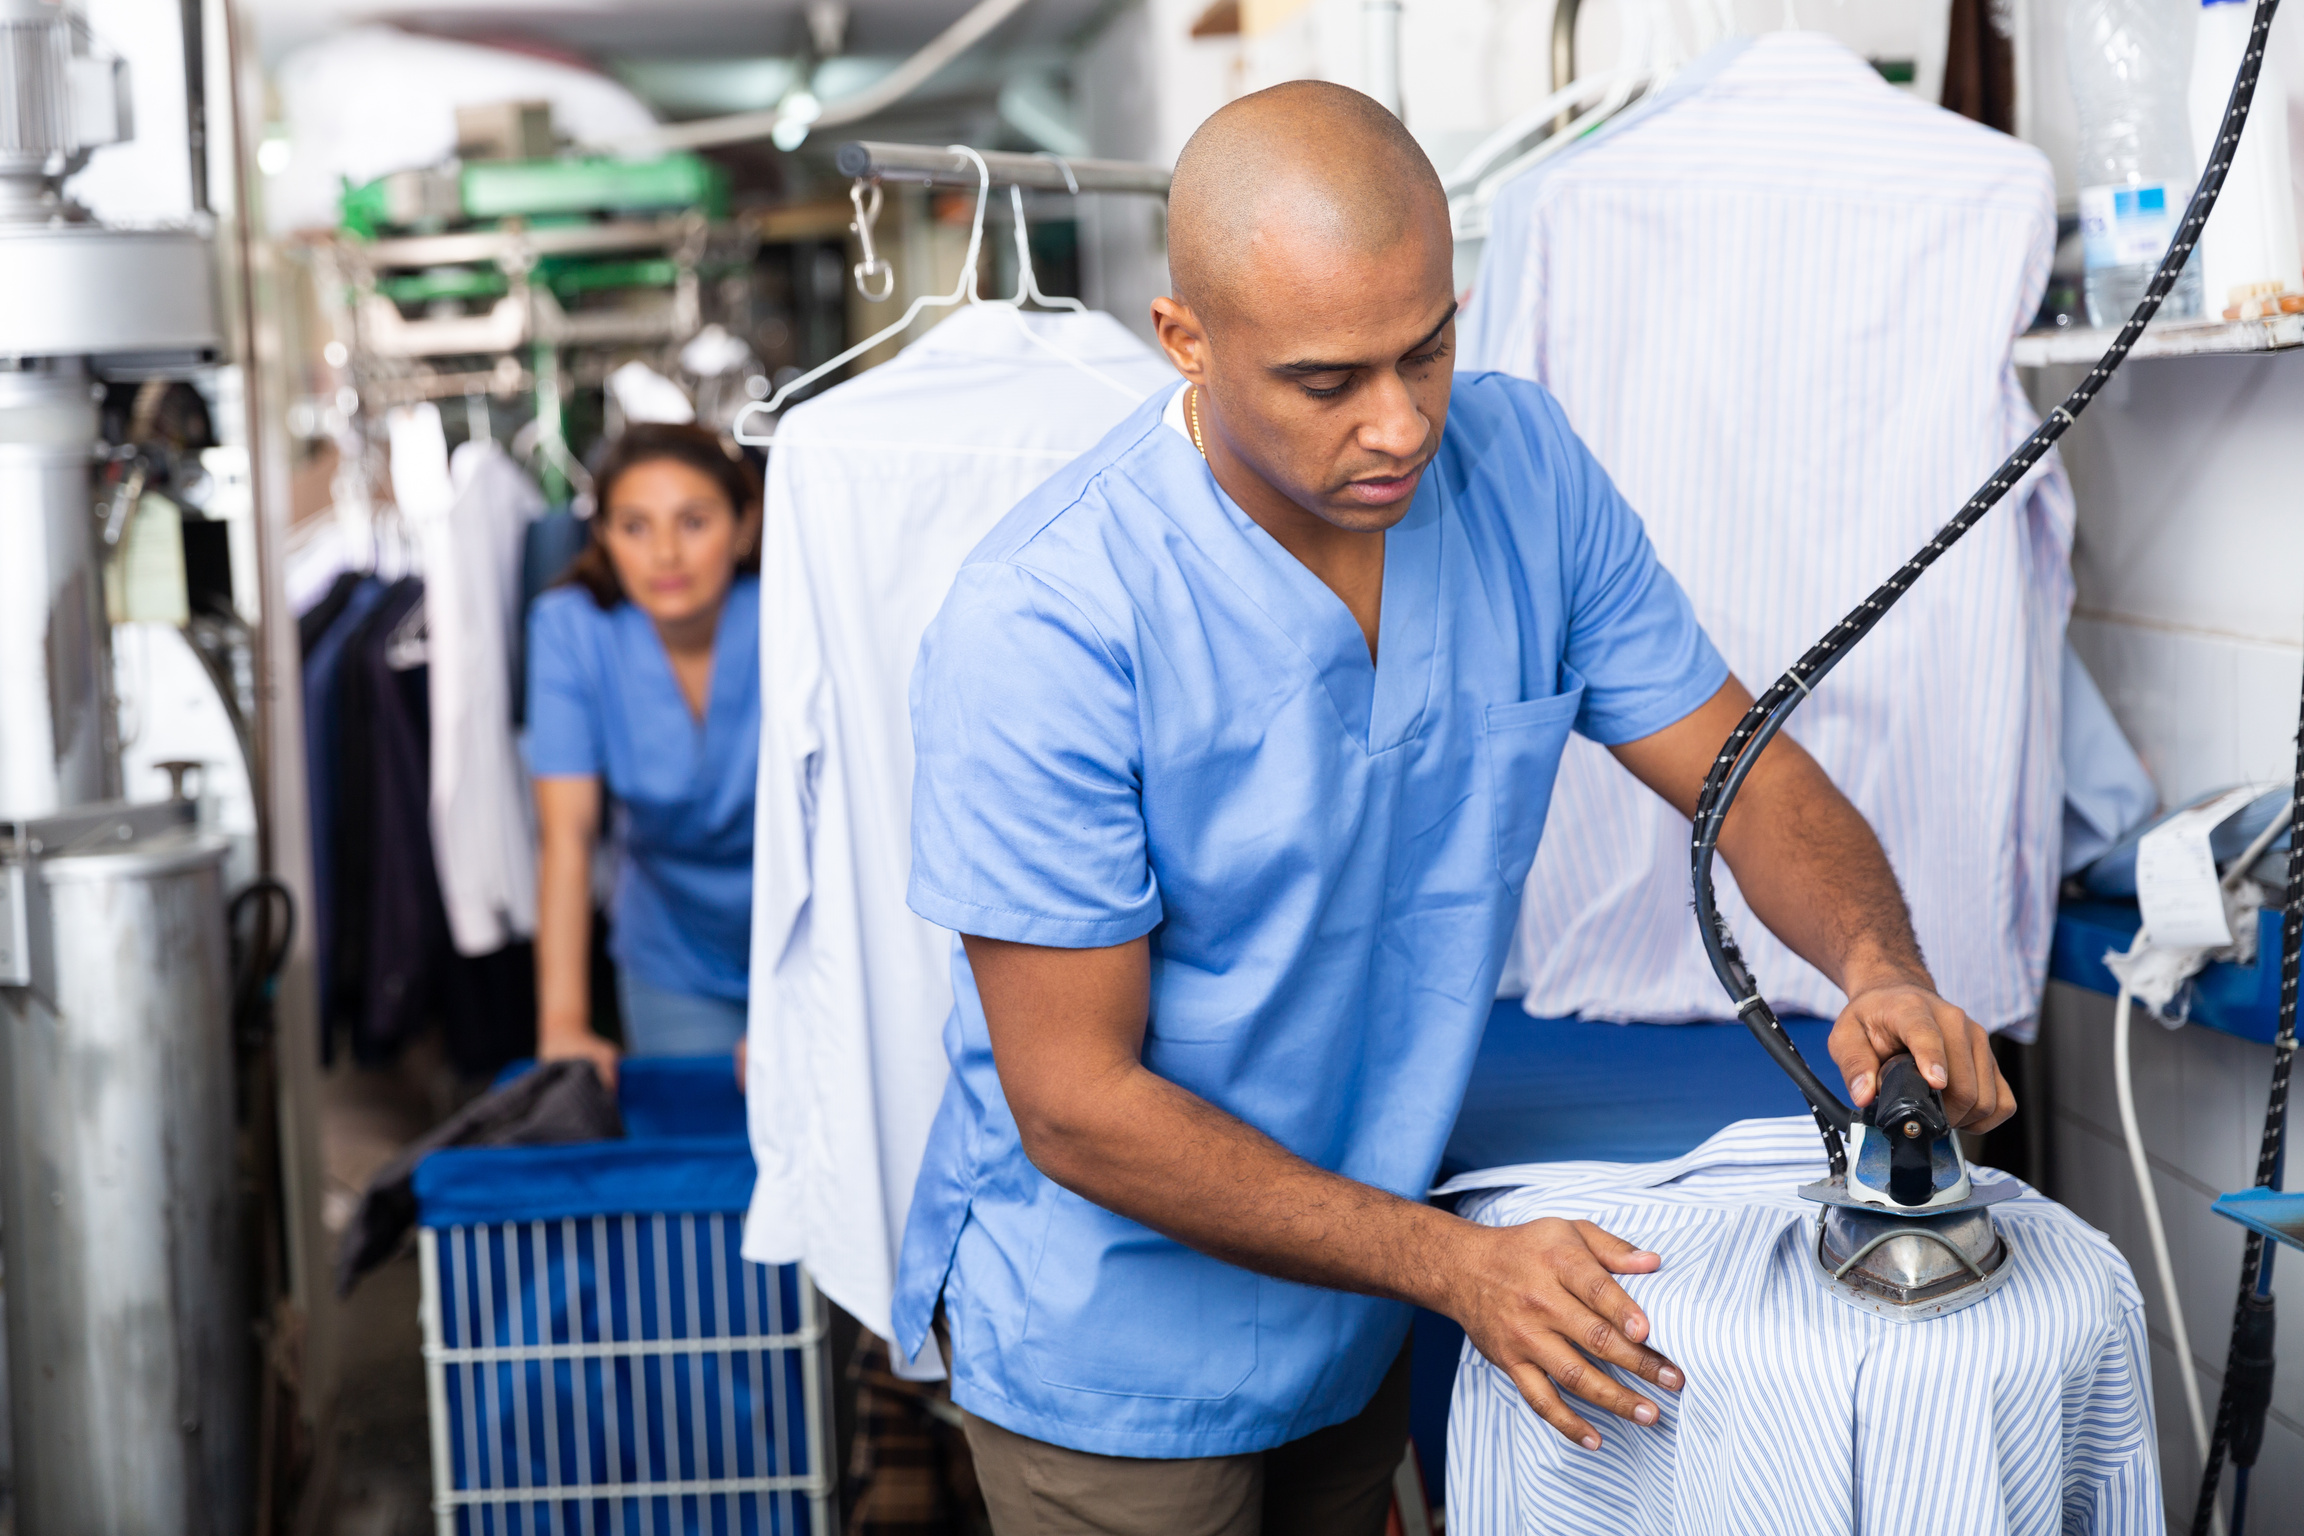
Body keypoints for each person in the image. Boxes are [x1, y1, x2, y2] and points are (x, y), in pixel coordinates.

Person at [893, 81, 2017, 1534]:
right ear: (1184, 340)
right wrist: (1452, 1267)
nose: (1400, 423)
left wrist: (1882, 969)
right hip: (1121, 1347)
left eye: (1427, 346)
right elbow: (1078, 1109)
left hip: (1355, 1301)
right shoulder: (1046, 621)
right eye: (1326, 381)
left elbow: (1739, 764)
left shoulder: (1521, 469)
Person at [526, 423, 761, 1081]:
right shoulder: (570, 630)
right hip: (672, 956)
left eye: (693, 522)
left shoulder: (794, 618)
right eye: (635, 526)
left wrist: (811, 1002)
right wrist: (564, 1025)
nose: (665, 554)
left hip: (814, 943)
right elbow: (567, 837)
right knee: (699, 1161)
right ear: (601, 536)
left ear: (744, 527)